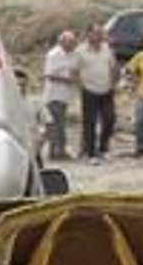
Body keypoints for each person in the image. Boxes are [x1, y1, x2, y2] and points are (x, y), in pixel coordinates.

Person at [76, 24, 119, 164]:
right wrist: (81, 86)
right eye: (96, 33)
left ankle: (103, 148)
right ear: (88, 34)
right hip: (89, 90)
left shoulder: (107, 49)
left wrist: (113, 83)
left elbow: (113, 67)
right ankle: (91, 154)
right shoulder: (80, 51)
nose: (100, 36)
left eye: (101, 33)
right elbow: (74, 71)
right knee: (90, 123)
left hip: (107, 89)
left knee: (110, 119)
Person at [42, 30, 79, 161]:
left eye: (74, 42)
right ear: (62, 42)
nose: (73, 44)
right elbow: (49, 75)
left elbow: (73, 70)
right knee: (56, 125)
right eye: (70, 42)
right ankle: (57, 152)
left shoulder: (73, 55)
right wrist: (67, 80)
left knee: (58, 125)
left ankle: (56, 151)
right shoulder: (54, 55)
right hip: (54, 95)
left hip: (65, 95)